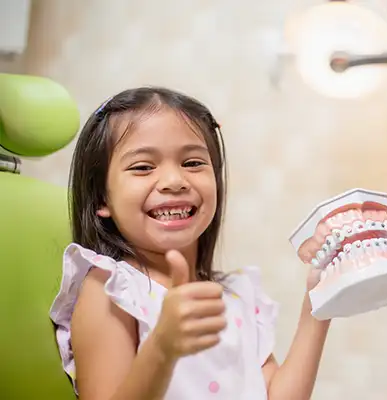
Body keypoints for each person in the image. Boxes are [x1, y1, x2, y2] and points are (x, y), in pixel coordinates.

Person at [49, 86, 329, 399]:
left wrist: (319, 299)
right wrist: (162, 348)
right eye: (143, 167)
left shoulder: (235, 295)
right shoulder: (112, 288)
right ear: (102, 197)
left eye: (193, 163)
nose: (174, 181)